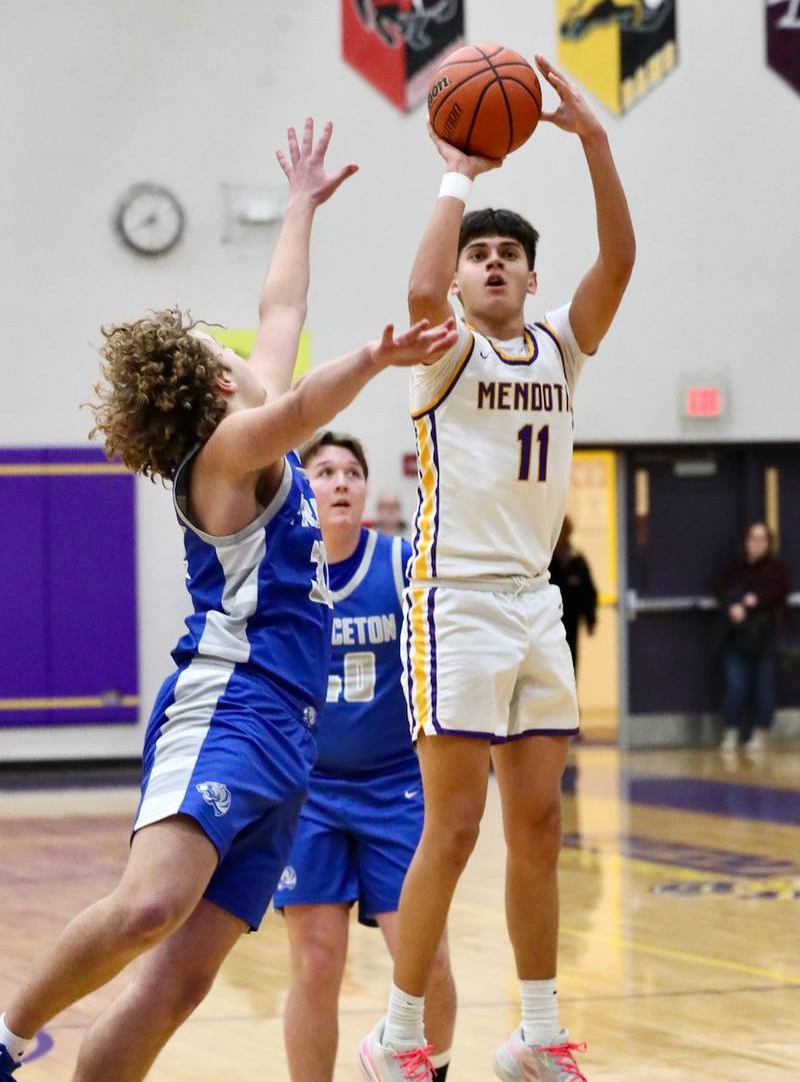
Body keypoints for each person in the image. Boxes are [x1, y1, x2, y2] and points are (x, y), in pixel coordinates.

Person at [0, 119, 456, 1082]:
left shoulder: (257, 441)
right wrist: (373, 360)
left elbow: (280, 302)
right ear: (213, 383)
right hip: (231, 702)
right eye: (226, 349)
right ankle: (4, 1035)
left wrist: (298, 207)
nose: (251, 345)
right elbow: (297, 407)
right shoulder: (225, 456)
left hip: (286, 728)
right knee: (148, 906)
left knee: (180, 976)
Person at [358, 53, 635, 1082]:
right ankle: (396, 1037)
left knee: (539, 818)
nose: (485, 266)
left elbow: (618, 260)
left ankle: (534, 1029)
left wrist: (595, 143)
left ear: (527, 275)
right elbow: (419, 284)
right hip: (452, 603)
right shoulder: (446, 353)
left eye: (503, 257)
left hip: (530, 604)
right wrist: (454, 175)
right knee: (457, 822)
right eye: (476, 254)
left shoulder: (559, 346)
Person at [274, 431, 456, 1082]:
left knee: (427, 956)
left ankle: (431, 1070)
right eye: (326, 471)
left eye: (353, 470)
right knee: (317, 962)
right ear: (304, 489)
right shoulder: (283, 572)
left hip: (395, 785)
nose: (342, 481)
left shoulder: (402, 563)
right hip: (310, 791)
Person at [715, 521, 791, 754]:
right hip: (736, 637)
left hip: (765, 636)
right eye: (752, 538)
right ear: (745, 542)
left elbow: (779, 592)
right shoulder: (734, 570)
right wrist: (733, 606)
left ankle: (760, 732)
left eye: (762, 539)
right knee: (736, 685)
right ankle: (731, 730)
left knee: (765, 687)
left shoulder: (777, 570)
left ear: (769, 543)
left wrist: (754, 602)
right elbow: (719, 590)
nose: (756, 544)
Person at [549, 516, 598, 674]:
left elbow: (589, 592)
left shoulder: (577, 561)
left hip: (571, 622)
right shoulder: (545, 562)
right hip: (549, 623)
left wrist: (590, 618)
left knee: (570, 664)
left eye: (565, 530)